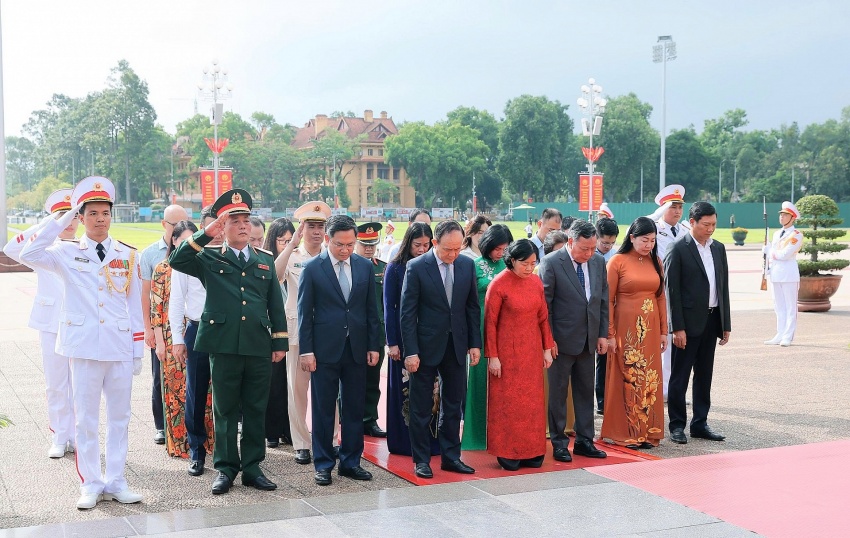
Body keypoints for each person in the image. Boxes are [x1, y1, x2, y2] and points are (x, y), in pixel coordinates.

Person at [21, 176, 144, 510]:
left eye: (105, 212)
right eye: (91, 213)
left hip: (118, 346)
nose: (100, 218)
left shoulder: (127, 255)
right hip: (84, 347)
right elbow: (27, 250)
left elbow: (134, 307)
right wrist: (63, 216)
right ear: (81, 216)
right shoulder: (64, 252)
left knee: (120, 418)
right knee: (86, 419)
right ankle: (91, 482)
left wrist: (137, 351)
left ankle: (116, 480)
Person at [169, 188, 288, 495]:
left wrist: (279, 344)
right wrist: (207, 232)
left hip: (258, 345)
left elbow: (275, 303)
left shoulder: (264, 260)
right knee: (224, 410)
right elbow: (177, 259)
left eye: (246, 219)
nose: (243, 225)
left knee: (254, 408)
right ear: (224, 226)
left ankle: (252, 467)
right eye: (235, 220)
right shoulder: (208, 257)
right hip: (223, 346)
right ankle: (225, 469)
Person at [298, 215, 381, 486]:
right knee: (323, 409)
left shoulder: (364, 267)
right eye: (339, 244)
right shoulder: (312, 268)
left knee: (355, 408)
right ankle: (323, 464)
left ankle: (351, 462)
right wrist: (306, 351)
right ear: (326, 240)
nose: (345, 250)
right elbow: (304, 314)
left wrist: (373, 345)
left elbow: (372, 310)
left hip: (356, 348)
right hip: (324, 350)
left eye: (350, 244)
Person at [400, 220, 481, 479]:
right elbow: (407, 313)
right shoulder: (416, 267)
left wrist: (474, 343)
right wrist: (410, 351)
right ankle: (421, 459)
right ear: (435, 243)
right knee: (421, 406)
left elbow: (471, 308)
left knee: (453, 404)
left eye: (458, 249)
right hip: (424, 348)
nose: (453, 255)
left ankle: (451, 457)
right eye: (448, 250)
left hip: (456, 346)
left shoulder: (467, 265)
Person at [3, 189, 78, 458]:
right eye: (62, 217)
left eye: (73, 216)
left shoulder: (84, 247)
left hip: (78, 324)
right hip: (50, 323)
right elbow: (11, 248)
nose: (69, 222)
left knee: (80, 383)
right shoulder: (41, 250)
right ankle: (60, 435)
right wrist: (48, 223)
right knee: (56, 382)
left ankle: (77, 435)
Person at [538, 219, 608, 462]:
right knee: (557, 394)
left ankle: (585, 440)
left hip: (589, 339)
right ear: (570, 242)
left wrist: (602, 334)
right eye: (584, 249)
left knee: (585, 392)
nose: (589, 253)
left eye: (592, 248)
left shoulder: (598, 262)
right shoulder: (551, 263)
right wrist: (548, 340)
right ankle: (558, 443)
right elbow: (545, 306)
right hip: (560, 341)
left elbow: (602, 301)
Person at [274, 201, 338, 465]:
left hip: (328, 332)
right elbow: (275, 277)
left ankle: (331, 439)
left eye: (320, 226)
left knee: (329, 390)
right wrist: (291, 245)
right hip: (298, 330)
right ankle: (301, 442)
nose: (315, 231)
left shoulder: (332, 256)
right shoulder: (294, 257)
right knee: (297, 390)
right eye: (310, 226)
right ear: (302, 228)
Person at [664, 202, 731, 445]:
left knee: (704, 376)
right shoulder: (678, 249)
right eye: (706, 225)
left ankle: (700, 423)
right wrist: (676, 327)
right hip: (687, 324)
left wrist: (725, 323)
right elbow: (672, 292)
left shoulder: (718, 249)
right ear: (692, 222)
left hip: (712, 321)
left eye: (714, 224)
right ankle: (677, 425)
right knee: (679, 377)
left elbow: (722, 288)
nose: (711, 229)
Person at [485, 239, 555, 470]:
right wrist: (492, 356)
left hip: (531, 351)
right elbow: (490, 323)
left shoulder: (535, 281)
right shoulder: (499, 284)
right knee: (509, 402)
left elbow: (543, 317)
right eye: (525, 263)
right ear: (512, 260)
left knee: (532, 403)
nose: (529, 268)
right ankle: (507, 450)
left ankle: (533, 449)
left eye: (533, 263)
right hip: (506, 353)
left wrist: (547, 347)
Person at [602, 217, 667, 448]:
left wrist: (663, 331)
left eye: (652, 240)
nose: (648, 244)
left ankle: (647, 431)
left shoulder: (656, 261)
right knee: (628, 377)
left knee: (649, 379)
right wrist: (609, 334)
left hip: (649, 332)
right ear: (631, 238)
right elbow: (608, 300)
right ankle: (626, 431)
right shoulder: (617, 262)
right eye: (644, 240)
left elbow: (660, 297)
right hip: (625, 329)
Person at [383, 222, 439, 456]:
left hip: (429, 338)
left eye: (427, 245)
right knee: (404, 391)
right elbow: (389, 307)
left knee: (431, 391)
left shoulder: (435, 265)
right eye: (417, 245)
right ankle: (402, 441)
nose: (422, 250)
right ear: (408, 243)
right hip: (404, 340)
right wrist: (392, 342)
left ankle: (430, 441)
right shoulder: (395, 268)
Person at [170, 208, 217, 477]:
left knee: (227, 393)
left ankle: (224, 450)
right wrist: (178, 339)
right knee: (196, 393)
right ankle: (196, 450)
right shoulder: (189, 252)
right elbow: (177, 299)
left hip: (225, 331)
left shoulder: (228, 252)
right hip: (197, 330)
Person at [140, 203, 188, 445]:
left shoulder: (194, 252)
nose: (179, 229)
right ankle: (161, 425)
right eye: (174, 225)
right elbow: (147, 296)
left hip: (187, 328)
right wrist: (148, 329)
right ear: (164, 225)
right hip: (162, 329)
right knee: (160, 378)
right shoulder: (151, 255)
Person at [150, 221, 198, 458]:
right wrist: (160, 342)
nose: (187, 245)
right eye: (183, 240)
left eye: (193, 240)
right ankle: (180, 444)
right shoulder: (163, 268)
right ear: (174, 241)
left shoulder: (201, 263)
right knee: (176, 391)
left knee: (201, 391)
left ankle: (203, 442)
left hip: (197, 331)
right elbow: (156, 309)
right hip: (172, 336)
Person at [463, 224, 513, 450]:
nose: (500, 253)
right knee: (480, 380)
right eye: (496, 248)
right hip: (481, 328)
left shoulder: (510, 266)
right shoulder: (473, 266)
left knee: (505, 382)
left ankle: (503, 433)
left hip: (507, 330)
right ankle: (477, 435)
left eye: (504, 248)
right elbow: (466, 303)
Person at [650, 184, 689, 400]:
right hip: (660, 291)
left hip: (681, 293)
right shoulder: (653, 229)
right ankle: (662, 388)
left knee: (680, 340)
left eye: (680, 207)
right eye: (672, 206)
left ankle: (675, 389)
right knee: (662, 339)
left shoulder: (685, 231)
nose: (676, 211)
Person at [262, 217, 296, 449]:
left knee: (291, 384)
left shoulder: (298, 260)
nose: (286, 244)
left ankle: (289, 428)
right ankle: (272, 430)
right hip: (271, 329)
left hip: (292, 329)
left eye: (290, 240)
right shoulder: (265, 260)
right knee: (273, 383)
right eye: (282, 240)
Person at [354, 222, 388, 438]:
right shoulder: (350, 266)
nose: (368, 248)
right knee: (350, 380)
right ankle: (352, 420)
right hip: (354, 332)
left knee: (373, 380)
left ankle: (370, 419)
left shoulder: (382, 268)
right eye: (364, 244)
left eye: (372, 244)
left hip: (377, 332)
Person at [764, 202, 804, 347]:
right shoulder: (776, 234)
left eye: (785, 214)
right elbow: (774, 255)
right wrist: (767, 267)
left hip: (788, 275)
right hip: (775, 274)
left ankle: (788, 336)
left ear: (792, 218)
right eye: (781, 214)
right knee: (778, 306)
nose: (781, 217)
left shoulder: (797, 235)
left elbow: (785, 254)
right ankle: (779, 333)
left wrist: (770, 252)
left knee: (790, 307)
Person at [594, 216, 620, 415]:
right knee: (599, 358)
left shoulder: (616, 256)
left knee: (609, 356)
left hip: (611, 311)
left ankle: (610, 398)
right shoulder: (588, 255)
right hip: (592, 313)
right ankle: (600, 400)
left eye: (611, 243)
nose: (607, 246)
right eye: (604, 242)